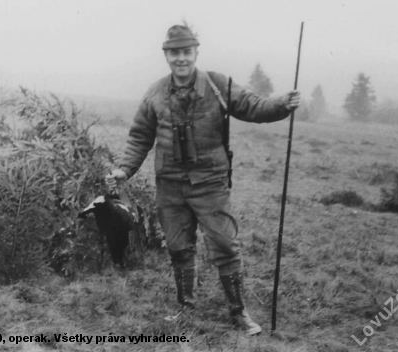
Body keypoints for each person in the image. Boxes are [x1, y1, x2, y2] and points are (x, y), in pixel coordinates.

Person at [106, 24, 300, 335]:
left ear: (196, 52)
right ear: (166, 55)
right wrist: (125, 170)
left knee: (224, 244)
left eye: (186, 52)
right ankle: (186, 308)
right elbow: (139, 136)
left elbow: (254, 107)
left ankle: (239, 313)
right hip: (169, 183)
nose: (180, 59)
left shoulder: (219, 85)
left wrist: (281, 104)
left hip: (210, 182)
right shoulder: (154, 93)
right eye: (174, 53)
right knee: (178, 246)